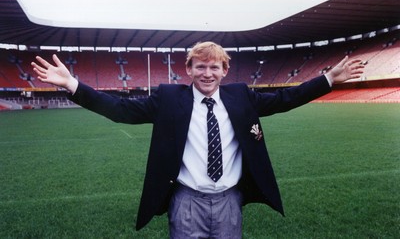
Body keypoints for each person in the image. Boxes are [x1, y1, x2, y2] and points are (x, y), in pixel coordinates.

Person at [31, 42, 364, 238]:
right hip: (186, 201)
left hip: (229, 201)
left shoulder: (241, 97)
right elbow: (120, 110)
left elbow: (284, 99)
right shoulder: (168, 98)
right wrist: (73, 85)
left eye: (215, 67)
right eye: (201, 66)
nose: (208, 73)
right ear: (188, 69)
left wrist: (327, 80)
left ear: (224, 71)